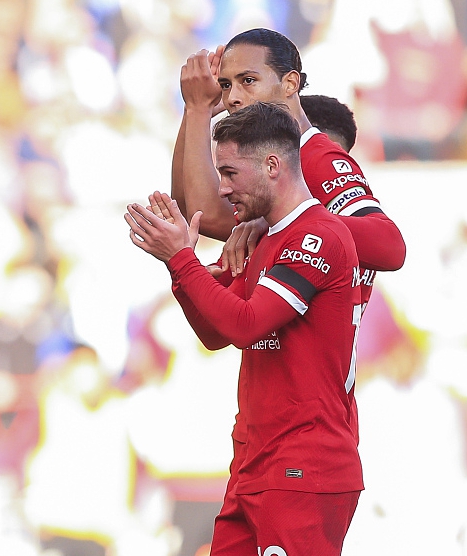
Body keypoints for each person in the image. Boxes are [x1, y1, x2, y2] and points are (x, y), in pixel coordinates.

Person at [126, 102, 364, 556]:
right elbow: (216, 334)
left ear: (273, 165)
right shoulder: (262, 236)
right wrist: (181, 271)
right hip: (255, 461)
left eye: (230, 172)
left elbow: (247, 326)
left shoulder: (318, 236)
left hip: (304, 466)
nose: (223, 188)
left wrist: (183, 259)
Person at [171, 28, 405, 282]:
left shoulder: (316, 155)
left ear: (290, 84)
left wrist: (288, 219)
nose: (233, 98)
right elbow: (191, 211)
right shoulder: (267, 156)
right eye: (226, 85)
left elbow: (390, 247)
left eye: (248, 80)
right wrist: (195, 110)